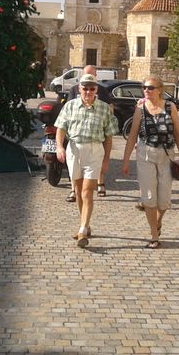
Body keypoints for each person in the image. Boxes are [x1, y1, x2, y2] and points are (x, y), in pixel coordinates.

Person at [121, 75, 179, 249]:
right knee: (149, 197)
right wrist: (126, 160)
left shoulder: (170, 107)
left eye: (150, 88)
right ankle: (154, 235)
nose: (146, 91)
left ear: (160, 90)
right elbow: (133, 134)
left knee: (164, 200)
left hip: (167, 154)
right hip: (145, 153)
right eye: (144, 87)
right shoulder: (140, 108)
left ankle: (157, 221)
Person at [55, 73, 118, 248]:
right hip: (74, 148)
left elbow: (109, 137)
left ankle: (82, 229)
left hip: (94, 150)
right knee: (77, 188)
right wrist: (60, 146)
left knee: (87, 191)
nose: (88, 92)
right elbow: (61, 127)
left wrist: (106, 159)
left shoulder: (104, 108)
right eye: (85, 88)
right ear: (79, 89)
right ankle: (86, 223)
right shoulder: (70, 106)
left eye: (92, 88)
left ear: (96, 90)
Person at [66, 64, 114, 201]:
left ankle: (101, 183)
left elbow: (110, 106)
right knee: (74, 164)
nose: (88, 90)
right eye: (87, 75)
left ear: (96, 77)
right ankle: (73, 190)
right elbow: (68, 107)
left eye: (92, 75)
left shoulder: (102, 90)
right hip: (78, 129)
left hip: (98, 128)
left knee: (100, 154)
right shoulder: (74, 89)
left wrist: (105, 117)